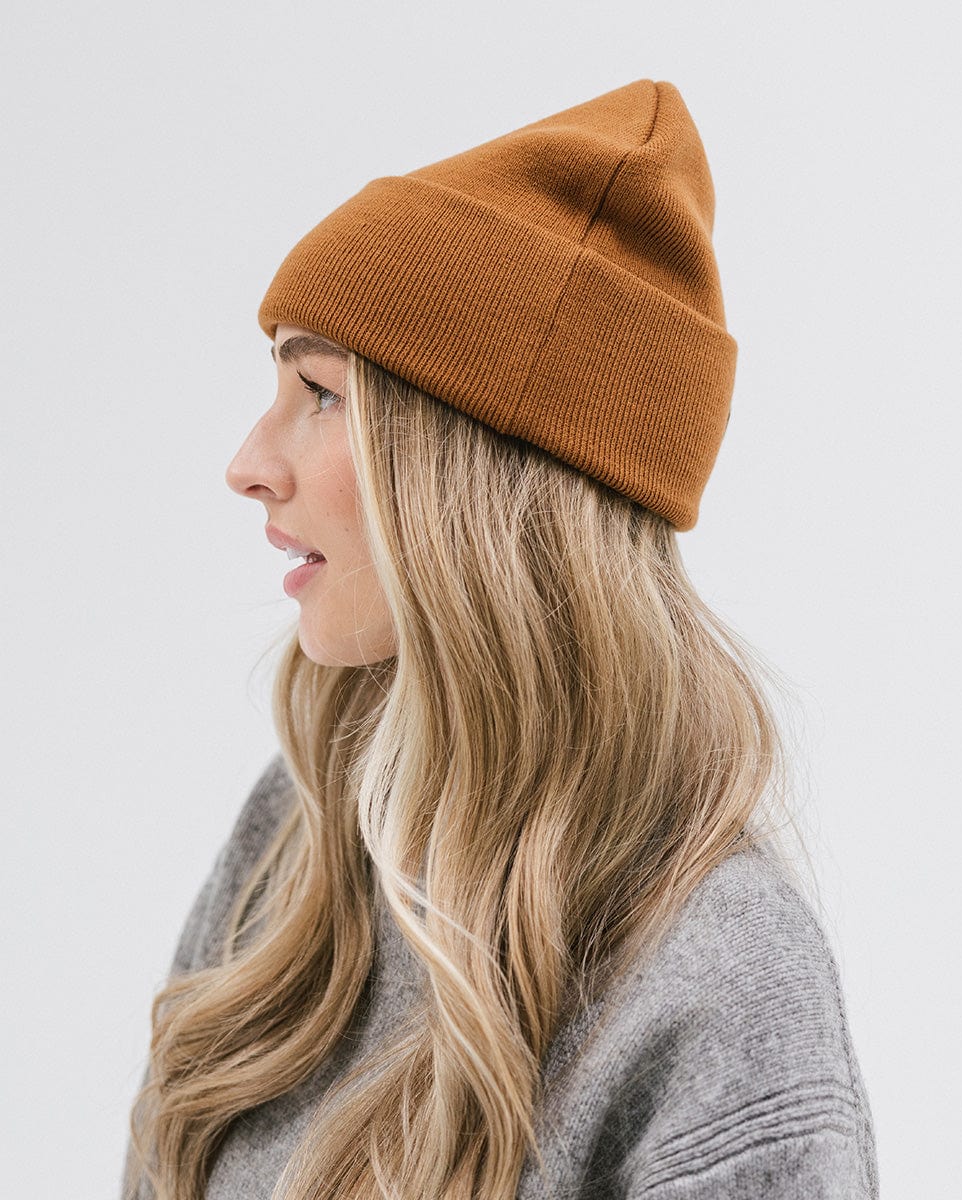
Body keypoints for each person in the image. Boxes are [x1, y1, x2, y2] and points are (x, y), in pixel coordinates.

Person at [122, 79, 878, 1199]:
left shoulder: (716, 981)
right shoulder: (302, 836)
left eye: (320, 392)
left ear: (472, 479)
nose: (249, 460)